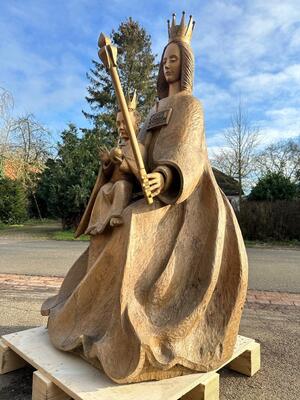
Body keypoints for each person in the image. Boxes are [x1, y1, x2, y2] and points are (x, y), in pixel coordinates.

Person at [42, 13, 248, 384]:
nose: (167, 65)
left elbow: (187, 153)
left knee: (135, 222)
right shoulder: (153, 110)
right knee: (114, 216)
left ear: (185, 65)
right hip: (150, 190)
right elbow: (142, 152)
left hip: (185, 201)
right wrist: (125, 165)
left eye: (174, 59)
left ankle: (133, 319)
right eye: (164, 59)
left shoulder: (191, 107)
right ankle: (93, 316)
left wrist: (164, 175)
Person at [83, 92, 144, 235]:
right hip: (112, 185)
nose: (121, 127)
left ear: (136, 124)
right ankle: (96, 222)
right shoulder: (117, 148)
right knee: (104, 189)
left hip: (128, 187)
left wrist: (122, 161)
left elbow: (140, 171)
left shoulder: (139, 147)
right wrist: (106, 163)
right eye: (118, 124)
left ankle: (116, 215)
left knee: (121, 186)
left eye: (125, 123)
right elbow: (108, 173)